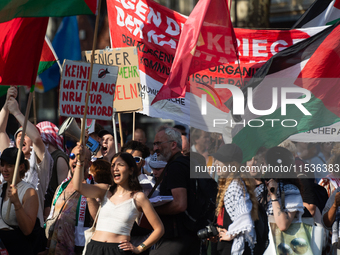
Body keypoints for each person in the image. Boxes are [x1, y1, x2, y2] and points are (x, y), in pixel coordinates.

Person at [72, 146, 164, 255]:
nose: (115, 168)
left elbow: (159, 229)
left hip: (118, 251)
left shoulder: (138, 197)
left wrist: (139, 248)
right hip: (94, 248)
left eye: (120, 165)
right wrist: (80, 161)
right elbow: (78, 187)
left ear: (131, 170)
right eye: (113, 165)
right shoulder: (104, 190)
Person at [0, 86, 53, 253]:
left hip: (27, 238)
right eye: (18, 135)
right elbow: (0, 130)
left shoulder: (39, 164)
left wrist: (17, 112)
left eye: (25, 135)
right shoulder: (9, 160)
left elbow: (37, 138)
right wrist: (6, 105)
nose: (21, 137)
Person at [150, 126, 200, 255]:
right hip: (191, 234)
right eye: (154, 144)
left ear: (173, 145)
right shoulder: (187, 162)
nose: (155, 148)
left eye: (159, 143)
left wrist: (153, 211)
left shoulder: (176, 167)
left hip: (178, 237)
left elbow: (179, 204)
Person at [46, 146, 97, 255]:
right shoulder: (61, 186)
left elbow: (97, 219)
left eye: (81, 158)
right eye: (72, 156)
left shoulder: (94, 187)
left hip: (79, 249)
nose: (75, 160)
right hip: (56, 249)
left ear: (89, 164)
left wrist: (86, 189)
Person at [212, 144, 257, 255]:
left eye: (220, 160)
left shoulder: (235, 185)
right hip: (225, 246)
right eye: (216, 159)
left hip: (231, 247)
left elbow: (244, 218)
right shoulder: (232, 184)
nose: (216, 163)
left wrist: (230, 234)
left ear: (233, 165)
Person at [0, 147, 39, 255]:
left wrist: (17, 203)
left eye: (10, 165)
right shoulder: (0, 189)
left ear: (21, 167)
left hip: (16, 249)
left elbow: (27, 230)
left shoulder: (29, 192)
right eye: (2, 165)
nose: (4, 169)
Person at [256, 147, 304, 231]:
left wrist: (273, 195)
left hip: (282, 242)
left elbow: (283, 225)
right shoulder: (261, 189)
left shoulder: (291, 190)